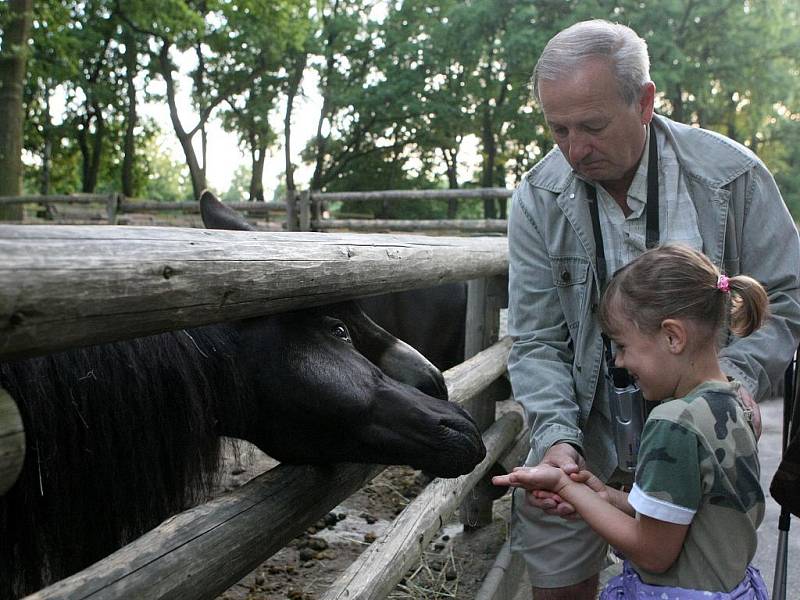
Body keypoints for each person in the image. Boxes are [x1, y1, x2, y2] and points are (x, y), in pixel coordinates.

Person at [506, 18, 800, 599]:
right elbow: (538, 339)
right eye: (557, 128)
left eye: (592, 126)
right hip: (588, 430)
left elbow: (787, 297)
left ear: (644, 102)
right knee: (557, 571)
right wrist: (558, 440)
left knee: (697, 577)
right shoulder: (538, 195)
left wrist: (731, 384)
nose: (573, 149)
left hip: (702, 434)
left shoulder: (733, 175)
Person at [497, 244, 771, 598]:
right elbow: (683, 508)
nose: (621, 363)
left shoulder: (673, 423)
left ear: (673, 337)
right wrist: (602, 495)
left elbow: (652, 552)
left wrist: (568, 490)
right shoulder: (736, 403)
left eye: (623, 346)